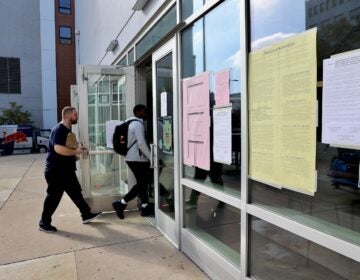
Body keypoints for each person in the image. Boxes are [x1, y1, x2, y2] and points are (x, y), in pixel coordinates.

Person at [39, 106, 101, 233]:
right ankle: (43, 223)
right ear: (67, 116)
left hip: (65, 171)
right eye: (75, 114)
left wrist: (75, 154)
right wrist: (76, 151)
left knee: (76, 192)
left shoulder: (66, 130)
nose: (77, 117)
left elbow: (65, 150)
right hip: (56, 171)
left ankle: (86, 214)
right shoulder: (60, 129)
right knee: (53, 197)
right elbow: (58, 149)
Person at [112, 104, 154, 219]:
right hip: (137, 159)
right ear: (138, 112)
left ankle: (145, 206)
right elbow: (141, 144)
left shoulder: (129, 123)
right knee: (141, 184)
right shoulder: (137, 124)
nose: (146, 114)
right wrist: (152, 157)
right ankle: (121, 203)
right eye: (144, 111)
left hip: (131, 158)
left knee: (142, 183)